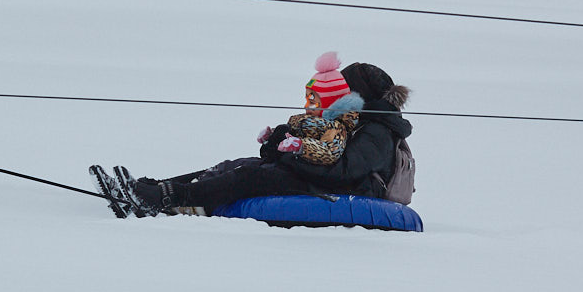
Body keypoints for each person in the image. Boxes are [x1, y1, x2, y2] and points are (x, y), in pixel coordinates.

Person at [123, 53, 413, 216]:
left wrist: (291, 157)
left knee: (253, 176)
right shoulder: (349, 120)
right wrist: (279, 143)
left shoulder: (377, 131)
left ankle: (166, 199)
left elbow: (342, 173)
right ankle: (160, 187)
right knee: (239, 164)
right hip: (323, 179)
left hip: (347, 192)